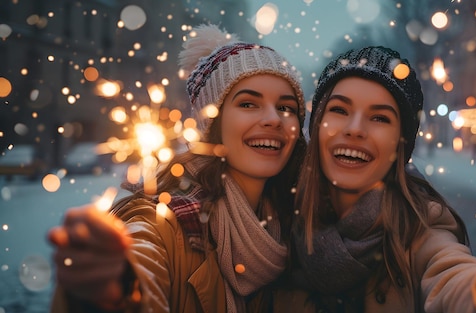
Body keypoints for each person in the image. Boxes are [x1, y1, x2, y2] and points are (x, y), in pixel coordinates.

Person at [271, 46, 476, 312]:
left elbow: (452, 276)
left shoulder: (421, 228)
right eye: (339, 110)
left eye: (380, 118)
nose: (355, 129)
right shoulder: (276, 215)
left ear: (401, 145)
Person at [47, 24, 306, 312]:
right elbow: (142, 260)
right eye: (248, 104)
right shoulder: (166, 221)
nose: (274, 119)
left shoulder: (298, 226)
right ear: (212, 124)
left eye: (286, 107)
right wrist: (115, 288)